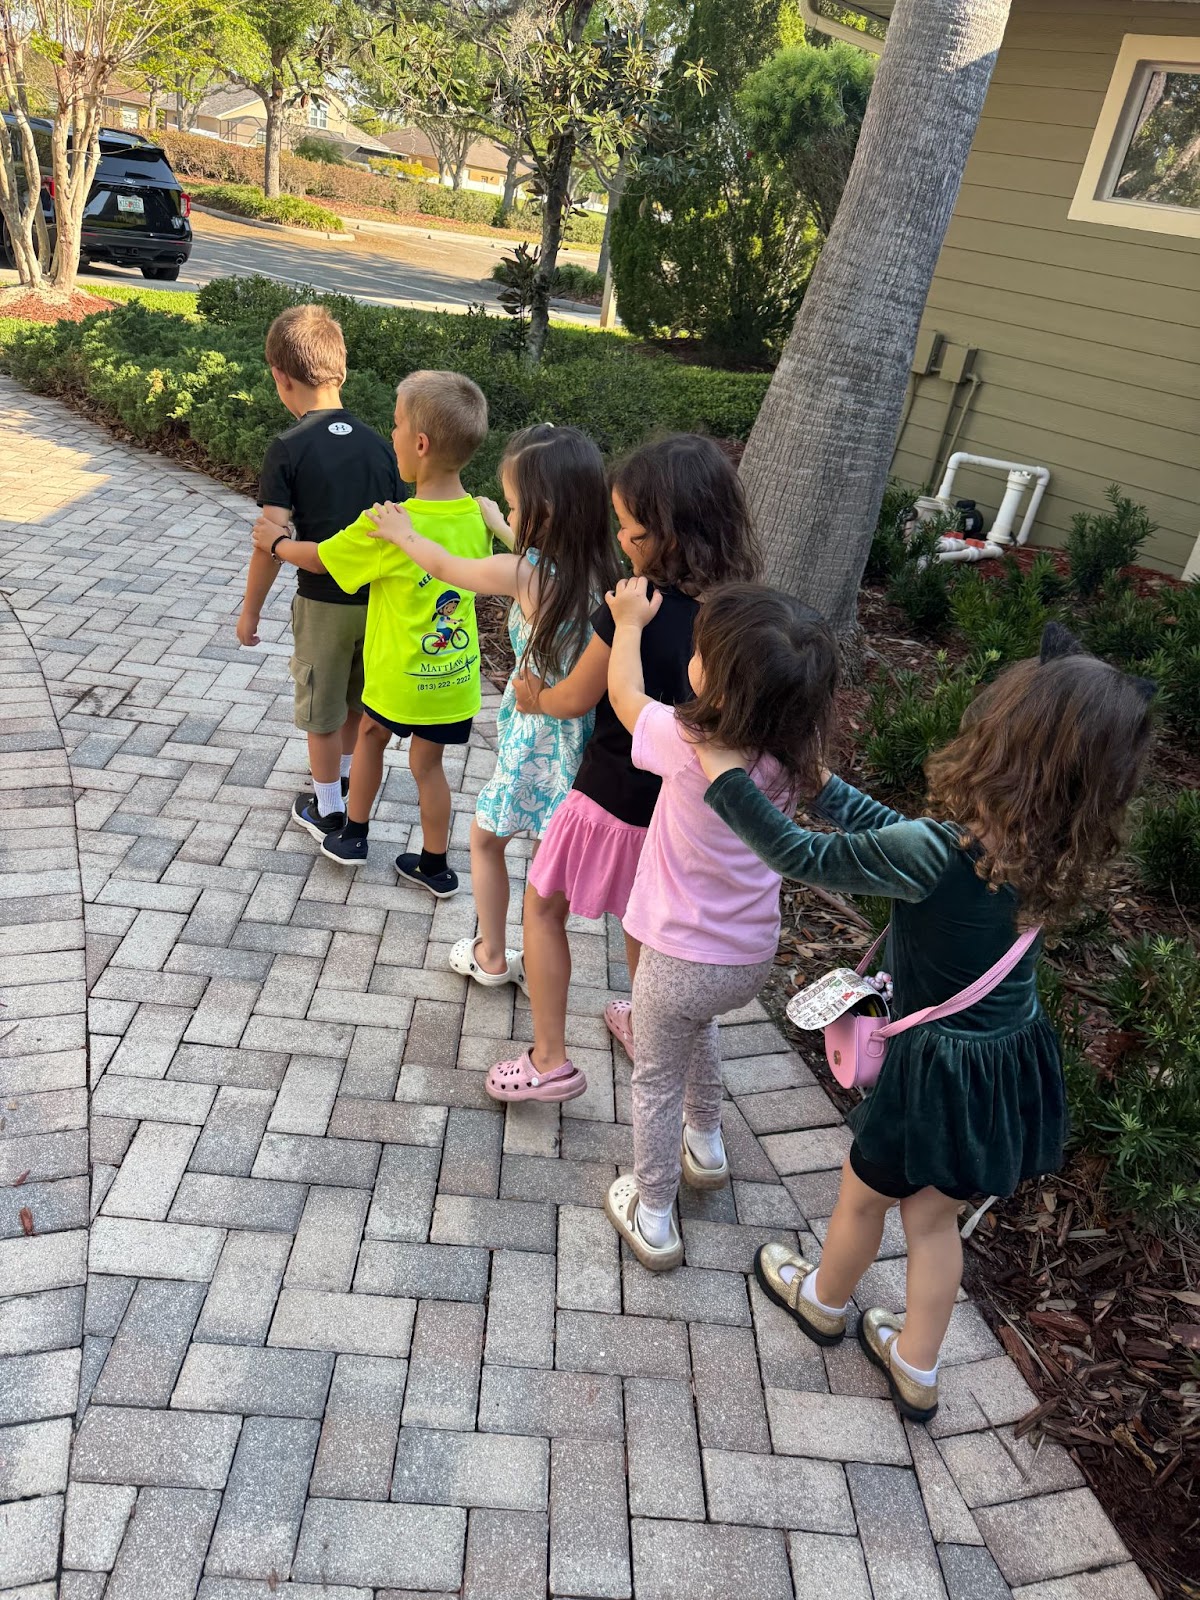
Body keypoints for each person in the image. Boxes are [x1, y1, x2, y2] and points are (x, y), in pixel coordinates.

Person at [698, 623, 1155, 1422]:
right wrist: (823, 782)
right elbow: (893, 841)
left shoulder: (935, 851)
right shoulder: (1045, 854)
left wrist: (725, 777)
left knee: (863, 1194)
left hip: (933, 1073)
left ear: (1003, 738)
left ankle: (823, 1300)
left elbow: (802, 855)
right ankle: (917, 1364)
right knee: (933, 1219)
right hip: (1001, 1068)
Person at [487, 434, 762, 1104]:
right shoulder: (742, 614)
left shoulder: (633, 604)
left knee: (544, 908)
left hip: (606, 795)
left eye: (629, 525)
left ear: (665, 531)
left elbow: (580, 696)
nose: (621, 536)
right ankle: (644, 1024)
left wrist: (533, 698)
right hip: (682, 817)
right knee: (646, 924)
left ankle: (550, 1059)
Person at [601, 579, 839, 1268]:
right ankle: (705, 1144)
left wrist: (628, 624)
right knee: (696, 1026)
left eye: (702, 651)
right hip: (747, 958)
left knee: (654, 1078)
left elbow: (623, 699)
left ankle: (653, 1216)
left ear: (725, 686)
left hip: (676, 958)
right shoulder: (796, 761)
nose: (692, 656)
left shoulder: (688, 739)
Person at [363, 424, 619, 991]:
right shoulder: (601, 567)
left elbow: (449, 569)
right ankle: (542, 954)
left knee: (486, 839)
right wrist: (498, 523)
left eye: (514, 505)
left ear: (544, 512)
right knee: (548, 855)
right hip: (585, 740)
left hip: (536, 732)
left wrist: (403, 532)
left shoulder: (524, 574)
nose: (510, 512)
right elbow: (530, 554)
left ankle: (492, 953)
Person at [251, 369, 489, 897]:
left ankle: (353, 835)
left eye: (397, 424)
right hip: (453, 679)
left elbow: (322, 559)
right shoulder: (478, 516)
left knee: (370, 737)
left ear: (420, 445)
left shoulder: (392, 522)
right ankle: (435, 865)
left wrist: (275, 544)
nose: (393, 433)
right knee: (430, 768)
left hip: (397, 677)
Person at [237, 305, 401, 840]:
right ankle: (349, 787)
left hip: (322, 605)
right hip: (377, 604)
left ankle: (328, 808)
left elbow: (269, 540)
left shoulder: (288, 448)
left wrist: (250, 610)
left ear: (280, 378)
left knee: (319, 710)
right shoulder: (382, 446)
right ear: (342, 370)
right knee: (354, 700)